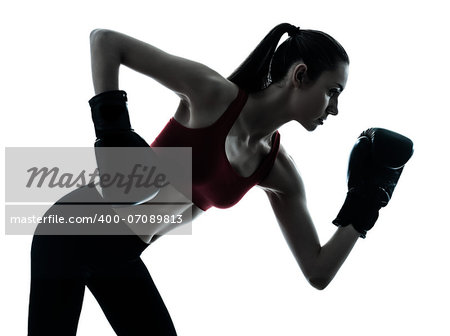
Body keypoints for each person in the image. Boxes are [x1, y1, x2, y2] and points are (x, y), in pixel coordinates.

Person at [27, 23, 413, 335]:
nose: (336, 108)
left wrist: (367, 200)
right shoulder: (213, 95)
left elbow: (318, 271)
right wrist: (112, 136)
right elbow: (106, 42)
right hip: (71, 230)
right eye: (332, 91)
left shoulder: (278, 171)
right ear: (299, 75)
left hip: (119, 256)